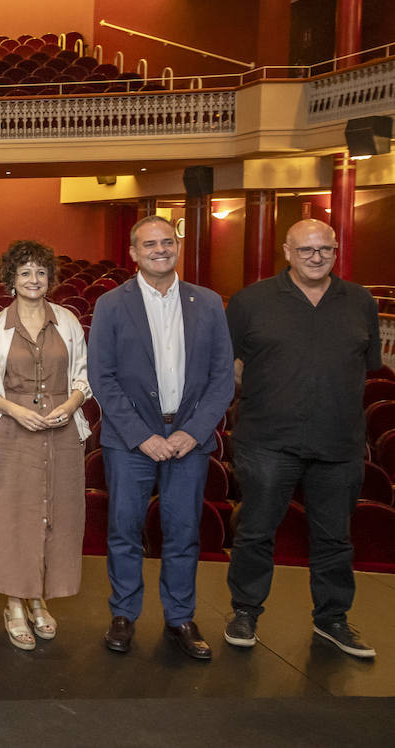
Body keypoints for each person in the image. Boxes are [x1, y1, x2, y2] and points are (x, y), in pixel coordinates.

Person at [223, 219, 382, 659]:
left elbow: (366, 364)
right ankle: (245, 611)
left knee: (335, 538)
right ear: (287, 252)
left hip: (338, 442)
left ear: (336, 252)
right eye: (307, 250)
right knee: (256, 532)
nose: (316, 258)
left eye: (325, 250)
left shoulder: (360, 301)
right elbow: (230, 363)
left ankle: (333, 619)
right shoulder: (251, 301)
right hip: (268, 440)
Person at [87, 215, 233, 660]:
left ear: (177, 246)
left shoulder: (207, 302)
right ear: (132, 252)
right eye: (149, 244)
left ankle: (180, 618)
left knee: (184, 531)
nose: (159, 250)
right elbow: (102, 376)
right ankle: (124, 614)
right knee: (124, 529)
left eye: (167, 242)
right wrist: (142, 436)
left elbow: (222, 377)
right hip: (131, 439)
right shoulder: (112, 304)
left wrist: (192, 431)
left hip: (189, 437)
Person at [0, 240, 92, 651]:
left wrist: (72, 403)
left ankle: (40, 598)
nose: (33, 279)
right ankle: (13, 603)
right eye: (25, 272)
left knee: (54, 515)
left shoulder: (68, 321)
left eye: (40, 272)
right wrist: (14, 411)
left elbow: (83, 375)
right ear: (11, 279)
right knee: (11, 518)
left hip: (62, 432)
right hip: (11, 432)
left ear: (50, 278)